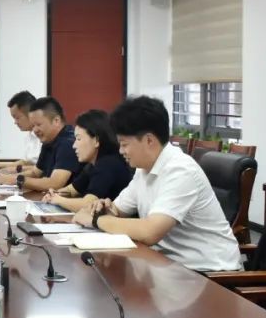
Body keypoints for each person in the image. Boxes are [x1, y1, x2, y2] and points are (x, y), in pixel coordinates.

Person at [73, 96, 242, 272]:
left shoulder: (181, 170)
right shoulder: (144, 169)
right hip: (169, 265)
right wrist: (102, 209)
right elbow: (117, 210)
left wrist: (97, 220)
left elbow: (150, 232)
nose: (121, 151)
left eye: (124, 144)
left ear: (149, 140)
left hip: (211, 272)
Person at [41, 109, 132, 213]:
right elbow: (71, 190)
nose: (74, 145)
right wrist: (55, 194)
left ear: (96, 141)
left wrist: (57, 200)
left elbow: (87, 205)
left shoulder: (108, 164)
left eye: (78, 139)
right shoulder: (93, 164)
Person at [0, 96, 79, 193]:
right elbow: (36, 172)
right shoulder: (48, 140)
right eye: (33, 125)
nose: (35, 130)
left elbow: (55, 183)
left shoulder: (68, 142)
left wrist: (18, 180)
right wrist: (9, 178)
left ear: (56, 121)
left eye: (38, 125)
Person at [0, 91, 41, 171]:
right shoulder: (29, 136)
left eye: (17, 118)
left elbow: (42, 168)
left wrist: (11, 170)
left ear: (30, 114)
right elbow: (26, 162)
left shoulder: (44, 137)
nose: (15, 122)